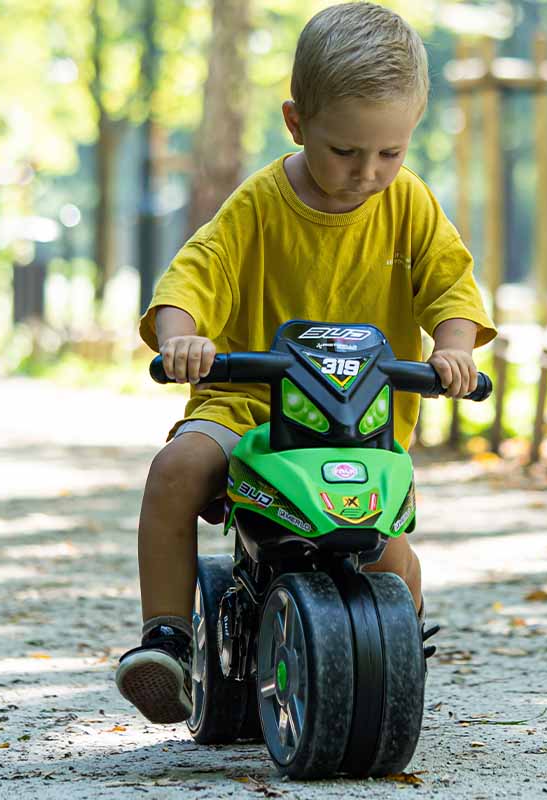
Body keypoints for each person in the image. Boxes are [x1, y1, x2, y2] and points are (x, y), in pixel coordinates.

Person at [116, 1, 497, 724]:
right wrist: (182, 338)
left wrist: (452, 349)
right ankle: (165, 637)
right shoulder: (259, 205)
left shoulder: (409, 204)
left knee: (388, 555)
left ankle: (392, 662)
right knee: (176, 470)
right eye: (346, 152)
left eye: (390, 152)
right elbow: (195, 273)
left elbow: (451, 283)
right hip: (251, 408)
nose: (368, 173)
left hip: (357, 422)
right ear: (297, 124)